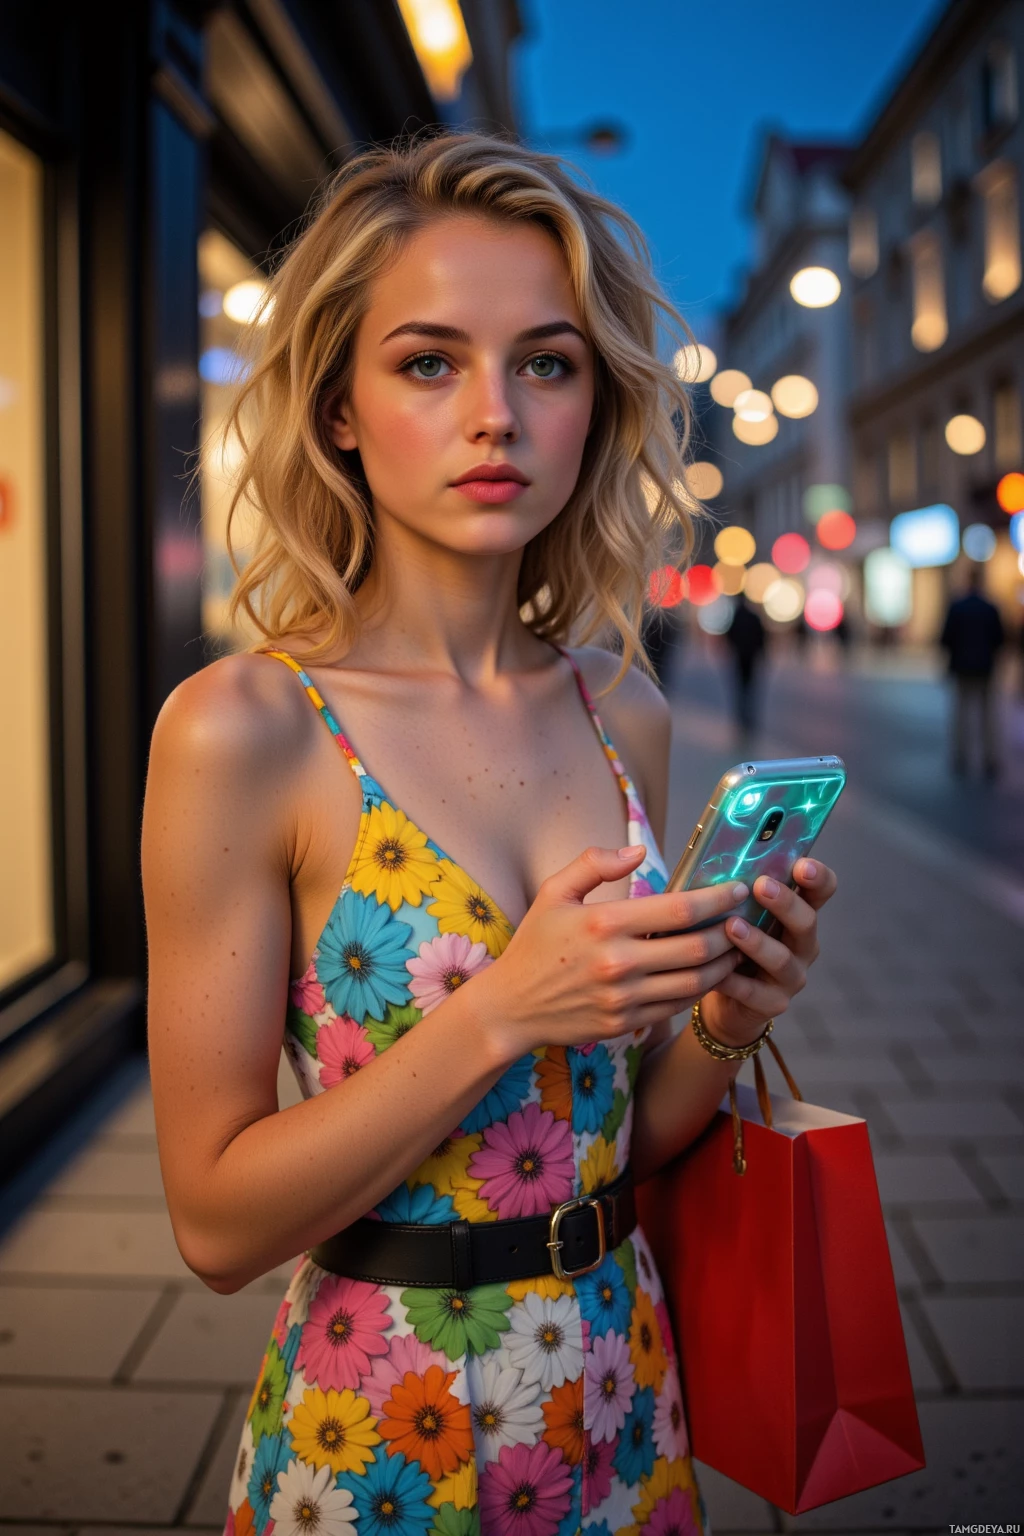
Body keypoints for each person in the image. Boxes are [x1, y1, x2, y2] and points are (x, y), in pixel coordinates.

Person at [141, 131, 838, 1536]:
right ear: (339, 409)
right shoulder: (248, 730)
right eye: (426, 362)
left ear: (594, 402)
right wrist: (502, 1011)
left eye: (545, 361)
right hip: (384, 1428)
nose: (495, 416)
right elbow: (213, 1224)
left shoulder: (617, 707)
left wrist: (717, 1016)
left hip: (625, 1396)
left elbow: (615, 1146)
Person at [939, 563, 1005, 777]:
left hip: (962, 667)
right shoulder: (990, 607)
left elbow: (946, 638)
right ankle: (989, 758)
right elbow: (1000, 639)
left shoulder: (958, 607)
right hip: (985, 667)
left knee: (961, 713)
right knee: (987, 715)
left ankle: (960, 755)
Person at [723, 593, 766, 734]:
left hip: (740, 655)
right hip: (751, 656)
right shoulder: (753, 617)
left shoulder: (737, 617)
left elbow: (730, 635)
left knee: (740, 685)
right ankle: (747, 713)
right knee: (750, 685)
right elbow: (762, 637)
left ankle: (742, 713)